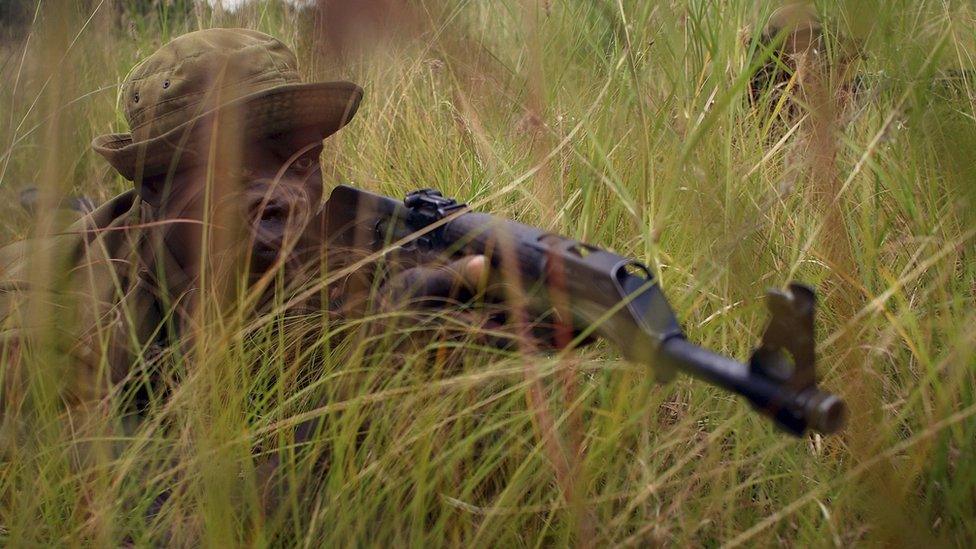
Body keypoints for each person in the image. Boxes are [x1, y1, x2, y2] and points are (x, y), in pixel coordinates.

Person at [0, 28, 493, 473]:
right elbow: (137, 516)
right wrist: (354, 380)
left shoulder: (323, 261)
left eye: (301, 159)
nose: (281, 191)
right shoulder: (54, 319)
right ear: (154, 183)